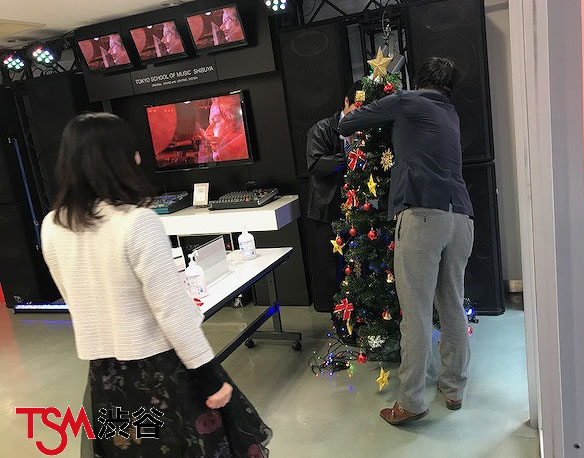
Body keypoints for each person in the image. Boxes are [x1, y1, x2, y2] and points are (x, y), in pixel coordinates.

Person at [41, 113, 271, 457]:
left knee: (128, 449)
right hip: (160, 373)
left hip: (105, 376)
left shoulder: (53, 225)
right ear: (117, 160)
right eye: (132, 151)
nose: (138, 158)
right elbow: (173, 312)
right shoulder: (137, 223)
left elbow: (74, 297)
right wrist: (210, 376)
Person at [338, 57, 474, 425]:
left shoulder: (406, 100)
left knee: (415, 314)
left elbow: (347, 125)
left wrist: (350, 110)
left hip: (422, 215)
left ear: (419, 79)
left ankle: (411, 402)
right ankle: (454, 390)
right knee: (452, 305)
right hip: (461, 217)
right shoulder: (451, 113)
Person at [306, 81, 363, 312]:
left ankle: (359, 314)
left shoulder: (366, 130)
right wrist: (350, 157)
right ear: (346, 102)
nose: (358, 117)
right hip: (327, 212)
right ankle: (338, 317)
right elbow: (315, 165)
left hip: (357, 212)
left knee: (359, 265)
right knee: (332, 269)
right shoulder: (320, 129)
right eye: (355, 111)